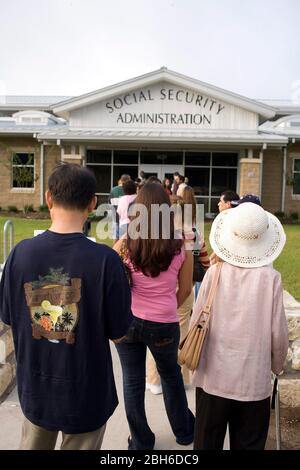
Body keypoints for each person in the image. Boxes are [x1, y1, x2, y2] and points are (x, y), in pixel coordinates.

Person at [0, 163, 133, 450]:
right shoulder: (106, 261)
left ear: (48, 198)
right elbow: (119, 332)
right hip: (88, 394)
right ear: (92, 203)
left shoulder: (19, 254)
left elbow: (10, 318)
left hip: (35, 390)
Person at [192, 202, 288, 450]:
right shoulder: (271, 279)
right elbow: (278, 333)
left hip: (213, 376)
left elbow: (196, 319)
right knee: (249, 443)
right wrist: (278, 365)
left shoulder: (214, 273)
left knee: (206, 442)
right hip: (252, 381)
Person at [113, 183, 195, 450]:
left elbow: (110, 277)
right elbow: (185, 290)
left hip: (128, 322)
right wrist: (166, 306)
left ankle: (140, 441)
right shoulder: (181, 243)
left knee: (132, 381)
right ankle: (184, 432)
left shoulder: (126, 242)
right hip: (164, 323)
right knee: (171, 375)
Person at [146, 187, 209, 393]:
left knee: (153, 337)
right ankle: (181, 378)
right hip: (186, 289)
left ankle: (155, 381)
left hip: (159, 291)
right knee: (180, 335)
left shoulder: (157, 234)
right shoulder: (193, 233)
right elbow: (206, 263)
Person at [109, 174, 131, 241]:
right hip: (125, 218)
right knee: (125, 239)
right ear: (129, 180)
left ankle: (114, 250)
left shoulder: (113, 190)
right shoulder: (129, 190)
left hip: (115, 216)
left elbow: (109, 203)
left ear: (121, 180)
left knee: (116, 238)